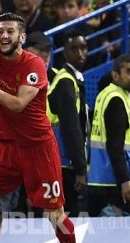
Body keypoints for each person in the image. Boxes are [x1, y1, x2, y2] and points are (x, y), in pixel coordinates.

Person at [0, 12, 76, 242]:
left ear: (22, 37)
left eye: (10, 32)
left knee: (54, 214)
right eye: (1, 31)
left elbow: (17, 104)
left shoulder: (33, 65)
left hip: (38, 149)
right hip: (7, 148)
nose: (4, 36)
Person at [87, 53, 130, 216]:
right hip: (118, 184)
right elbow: (115, 146)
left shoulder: (107, 94)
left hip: (103, 179)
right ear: (115, 75)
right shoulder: (117, 100)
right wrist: (125, 180)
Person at [47, 29, 88, 217]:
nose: (80, 53)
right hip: (62, 163)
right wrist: (80, 168)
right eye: (74, 49)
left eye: (84, 48)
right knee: (65, 219)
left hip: (60, 161)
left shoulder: (71, 79)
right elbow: (71, 128)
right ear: (64, 52)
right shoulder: (65, 82)